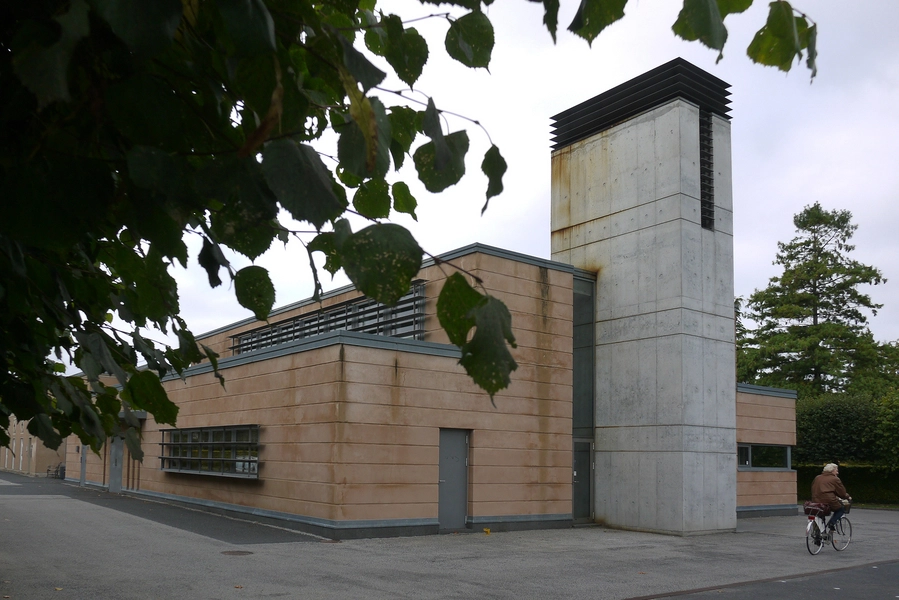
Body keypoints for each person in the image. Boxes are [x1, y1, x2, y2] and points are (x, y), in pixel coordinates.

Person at [811, 463, 851, 530]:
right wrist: (848, 497)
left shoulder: (817, 477)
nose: (837, 472)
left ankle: (818, 535)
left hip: (816, 501)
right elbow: (842, 493)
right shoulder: (835, 479)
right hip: (829, 501)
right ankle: (832, 523)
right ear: (832, 471)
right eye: (836, 470)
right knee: (841, 509)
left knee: (819, 514)